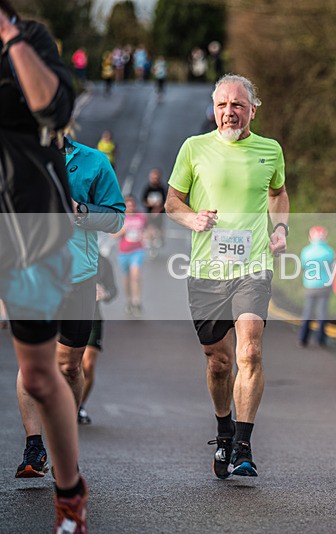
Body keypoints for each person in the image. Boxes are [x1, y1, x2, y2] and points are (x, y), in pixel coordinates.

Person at [165, 73, 289, 479]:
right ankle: (224, 428)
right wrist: (192, 218)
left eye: (237, 105)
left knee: (250, 352)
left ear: (253, 108)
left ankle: (244, 445)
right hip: (206, 270)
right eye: (222, 105)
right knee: (218, 362)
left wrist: (280, 227)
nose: (229, 112)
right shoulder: (193, 148)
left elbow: (278, 193)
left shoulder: (270, 150)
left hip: (253, 266)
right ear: (213, 109)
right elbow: (172, 202)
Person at [0, 2, 87, 530]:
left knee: (38, 373)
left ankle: (69, 494)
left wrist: (10, 36)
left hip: (28, 230)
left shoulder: (30, 38)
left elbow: (53, 110)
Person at [16, 134, 124, 471]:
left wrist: (82, 211)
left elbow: (116, 218)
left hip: (79, 276)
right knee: (33, 360)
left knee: (70, 365)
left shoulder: (94, 161)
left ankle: (66, 442)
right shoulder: (15, 154)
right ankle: (34, 448)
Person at [79, 252, 118, 424]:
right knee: (66, 365)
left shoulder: (103, 262)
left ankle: (78, 406)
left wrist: (105, 293)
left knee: (88, 364)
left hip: (94, 318)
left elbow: (113, 289)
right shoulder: (69, 254)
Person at [298, 225, 335, 348]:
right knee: (322, 313)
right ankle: (321, 340)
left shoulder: (306, 251)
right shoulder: (329, 251)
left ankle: (303, 338)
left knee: (307, 312)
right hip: (324, 285)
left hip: (309, 285)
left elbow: (303, 266)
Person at [115, 196, 146, 317]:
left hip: (138, 251)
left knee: (135, 275)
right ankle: (129, 300)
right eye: (128, 205)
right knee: (126, 279)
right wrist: (123, 230)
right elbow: (113, 235)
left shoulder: (141, 217)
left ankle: (136, 301)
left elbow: (145, 230)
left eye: (132, 205)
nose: (131, 207)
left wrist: (146, 236)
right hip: (124, 252)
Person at [141, 167, 167, 257]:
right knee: (150, 229)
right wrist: (150, 205)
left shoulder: (161, 189)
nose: (154, 179)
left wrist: (157, 210)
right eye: (153, 177)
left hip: (159, 214)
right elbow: (143, 200)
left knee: (159, 229)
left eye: (156, 177)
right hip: (149, 214)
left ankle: (160, 239)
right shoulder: (147, 188)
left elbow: (165, 202)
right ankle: (151, 247)